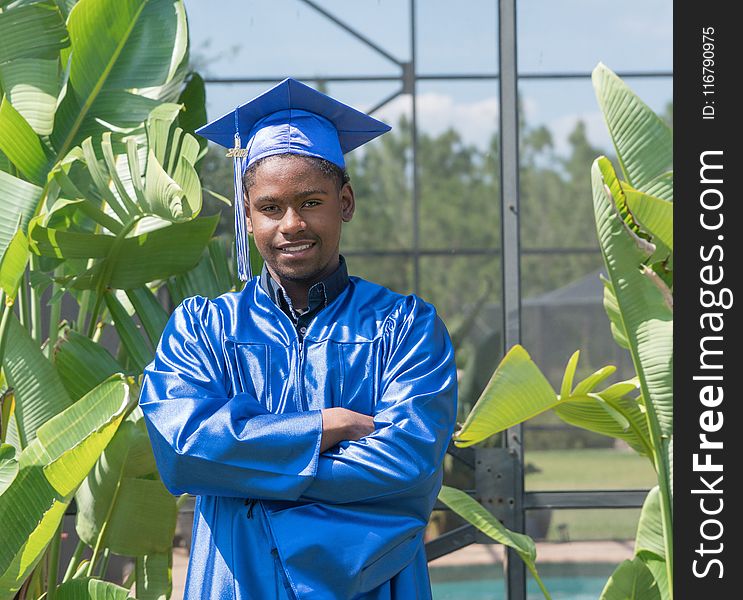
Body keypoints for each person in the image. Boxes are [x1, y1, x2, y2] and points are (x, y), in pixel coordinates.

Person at [138, 78, 458, 600]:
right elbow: (181, 451)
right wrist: (322, 428)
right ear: (247, 215)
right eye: (270, 207)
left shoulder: (405, 328)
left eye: (311, 202)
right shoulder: (204, 328)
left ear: (346, 202)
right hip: (237, 582)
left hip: (370, 585)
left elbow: (408, 462)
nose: (292, 224)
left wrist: (244, 469)